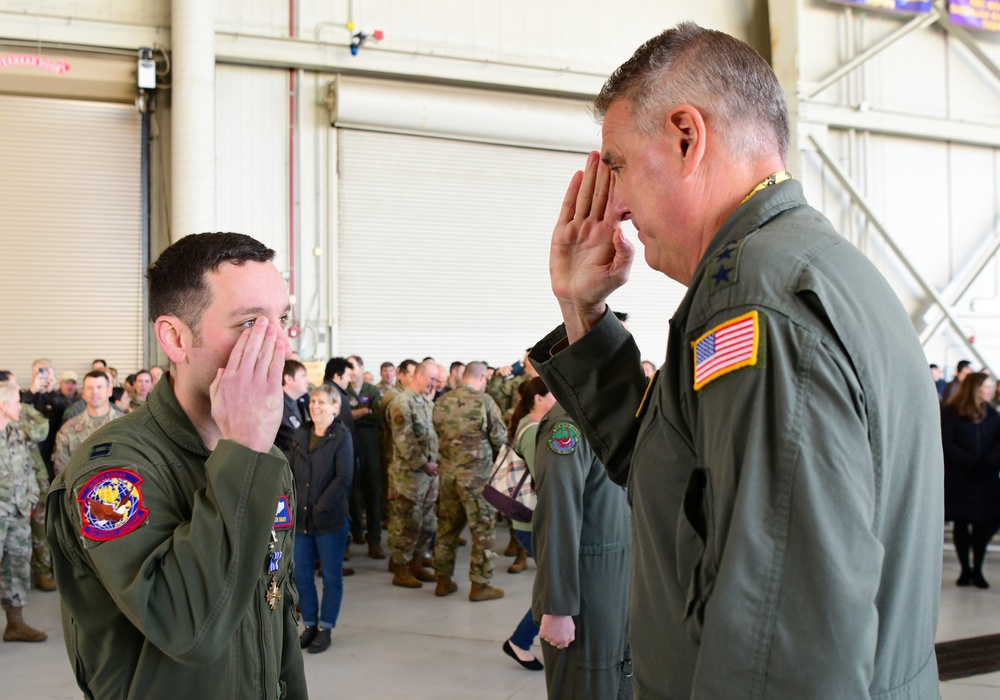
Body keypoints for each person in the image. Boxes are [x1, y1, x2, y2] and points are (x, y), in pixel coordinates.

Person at [529, 23, 943, 697]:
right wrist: (583, 312)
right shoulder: (811, 268)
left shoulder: (753, 303)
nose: (619, 206)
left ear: (687, 138)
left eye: (618, 164)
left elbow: (780, 643)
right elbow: (679, 483)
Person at [46, 232, 307, 699]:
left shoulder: (267, 460)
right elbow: (191, 629)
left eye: (282, 320)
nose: (282, 350)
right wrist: (244, 449)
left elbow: (277, 611)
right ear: (175, 338)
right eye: (250, 324)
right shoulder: (113, 475)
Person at [532, 403, 631, 699]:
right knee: (587, 683)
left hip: (619, 585)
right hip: (586, 596)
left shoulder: (615, 413)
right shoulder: (569, 425)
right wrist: (557, 607)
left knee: (618, 679)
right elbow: (557, 513)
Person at [431, 361, 507, 601]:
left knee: (446, 529)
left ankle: (443, 581)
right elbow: (500, 438)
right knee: (483, 530)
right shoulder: (484, 402)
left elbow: (434, 436)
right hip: (476, 480)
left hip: (447, 477)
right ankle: (480, 585)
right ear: (482, 378)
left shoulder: (441, 402)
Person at [290, 384, 354, 653]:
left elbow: (343, 478)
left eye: (322, 402)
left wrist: (319, 506)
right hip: (301, 521)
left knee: (330, 576)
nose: (315, 406)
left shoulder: (341, 436)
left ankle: (325, 627)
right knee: (302, 576)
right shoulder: (300, 434)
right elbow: (291, 473)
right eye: (313, 401)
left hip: (329, 521)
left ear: (335, 408)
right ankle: (310, 625)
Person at [502, 376, 556, 672]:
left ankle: (522, 640)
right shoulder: (533, 430)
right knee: (552, 588)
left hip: (527, 523)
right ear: (538, 399)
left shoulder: (527, 425)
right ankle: (520, 641)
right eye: (553, 395)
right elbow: (544, 478)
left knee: (551, 585)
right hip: (532, 524)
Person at [942, 372, 1000, 589]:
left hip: (985, 478)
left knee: (984, 524)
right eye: (987, 385)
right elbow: (947, 444)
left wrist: (988, 463)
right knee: (962, 523)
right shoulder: (951, 413)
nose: (991, 389)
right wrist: (971, 463)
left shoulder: (992, 414)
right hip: (961, 478)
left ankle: (978, 569)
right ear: (976, 388)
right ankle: (965, 569)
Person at [0, 381, 47, 642]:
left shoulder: (16, 433)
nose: (21, 406)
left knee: (17, 567)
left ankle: (15, 624)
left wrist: (30, 497)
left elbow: (28, 467)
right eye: (17, 402)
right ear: (4, 406)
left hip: (17, 514)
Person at [386, 360, 439, 588]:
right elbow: (404, 439)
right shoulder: (402, 402)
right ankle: (401, 568)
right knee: (407, 523)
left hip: (428, 476)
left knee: (427, 523)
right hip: (409, 476)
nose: (434, 384)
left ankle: (416, 564)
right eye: (431, 379)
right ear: (418, 376)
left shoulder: (425, 402)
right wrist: (424, 463)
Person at [346, 355, 385, 558]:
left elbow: (376, 416)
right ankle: (354, 533)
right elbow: (342, 416)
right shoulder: (343, 390)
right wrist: (364, 411)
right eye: (348, 367)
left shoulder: (372, 390)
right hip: (348, 443)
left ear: (362, 368)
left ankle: (375, 540)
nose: (351, 371)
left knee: (373, 491)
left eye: (353, 366)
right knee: (350, 490)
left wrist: (355, 414)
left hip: (370, 443)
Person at [52, 371, 120, 476]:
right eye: (90, 388)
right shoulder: (68, 429)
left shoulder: (125, 424)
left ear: (109, 391)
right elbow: (62, 472)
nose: (95, 392)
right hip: (81, 490)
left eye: (99, 387)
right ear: (83, 393)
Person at [276, 359, 311, 458]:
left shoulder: (300, 402)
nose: (307, 380)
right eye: (303, 376)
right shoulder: (276, 406)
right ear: (289, 379)